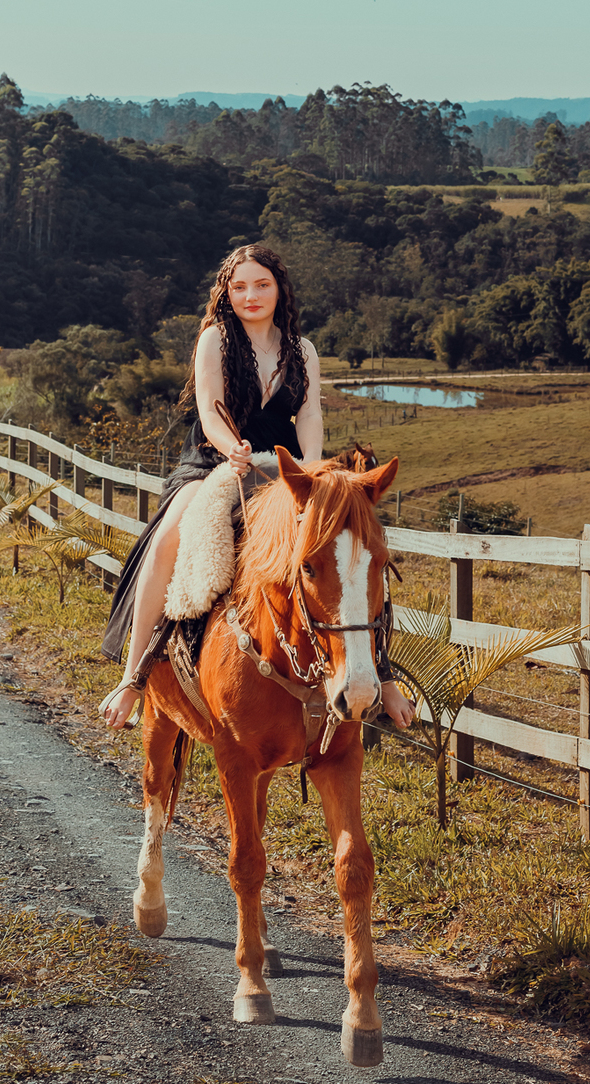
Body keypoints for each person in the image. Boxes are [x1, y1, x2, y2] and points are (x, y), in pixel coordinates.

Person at [101, 243, 415, 733]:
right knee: (167, 539)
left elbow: (308, 413)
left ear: (279, 289)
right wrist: (231, 448)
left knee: (352, 551)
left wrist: (311, 468)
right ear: (227, 292)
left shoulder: (302, 349)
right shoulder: (215, 340)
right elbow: (209, 408)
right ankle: (134, 676)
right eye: (240, 286)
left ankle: (384, 676)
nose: (251, 295)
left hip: (286, 465)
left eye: (261, 285)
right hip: (214, 459)